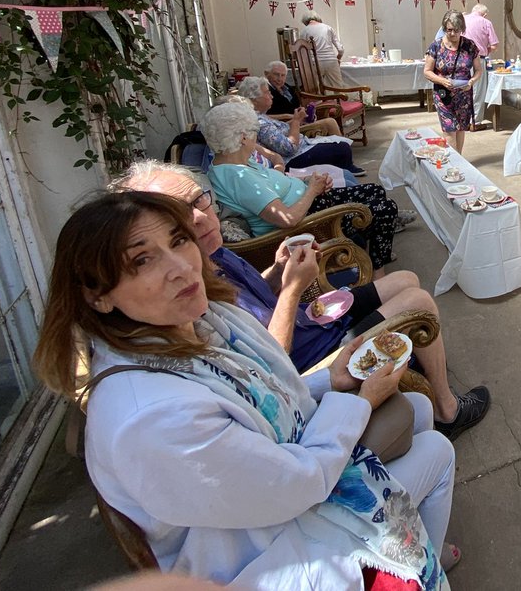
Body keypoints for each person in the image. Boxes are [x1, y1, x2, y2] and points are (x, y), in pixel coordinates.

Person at [32, 191, 458, 588]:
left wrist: (334, 380)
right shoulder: (151, 417)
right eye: (141, 261)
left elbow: (261, 394)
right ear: (97, 296)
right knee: (439, 453)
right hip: (265, 554)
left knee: (417, 408)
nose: (181, 266)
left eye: (178, 240)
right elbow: (296, 485)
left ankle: (423, 545)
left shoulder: (200, 320)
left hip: (272, 490)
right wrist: (362, 401)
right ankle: (422, 567)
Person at [114, 161, 492, 438]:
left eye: (200, 201)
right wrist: (294, 289)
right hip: (307, 357)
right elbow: (267, 366)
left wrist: (277, 272)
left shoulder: (210, 254)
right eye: (179, 217)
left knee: (405, 278)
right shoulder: (184, 293)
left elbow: (248, 300)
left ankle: (416, 361)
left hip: (310, 322)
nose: (199, 217)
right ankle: (446, 409)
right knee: (420, 302)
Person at [201, 102, 401, 272]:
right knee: (385, 208)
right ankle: (377, 271)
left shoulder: (237, 165)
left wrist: (308, 183)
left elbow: (273, 186)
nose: (256, 138)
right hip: (309, 224)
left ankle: (373, 250)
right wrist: (312, 190)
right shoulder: (238, 176)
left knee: (375, 191)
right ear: (243, 137)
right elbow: (288, 219)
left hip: (310, 205)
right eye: (254, 132)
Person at [235, 76, 364, 175]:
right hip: (293, 159)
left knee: (339, 143)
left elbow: (280, 132)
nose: (271, 96)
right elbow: (288, 148)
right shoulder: (259, 123)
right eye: (267, 93)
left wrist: (298, 120)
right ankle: (342, 168)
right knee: (341, 147)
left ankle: (342, 167)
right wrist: (296, 122)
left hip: (301, 147)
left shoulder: (261, 115)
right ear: (254, 99)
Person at [424, 9, 483, 154]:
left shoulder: (469, 46)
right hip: (444, 96)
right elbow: (427, 71)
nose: (453, 34)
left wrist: (471, 82)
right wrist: (442, 81)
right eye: (449, 30)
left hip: (464, 95)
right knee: (450, 131)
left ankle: (458, 159)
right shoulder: (436, 46)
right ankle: (453, 164)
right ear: (444, 28)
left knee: (461, 129)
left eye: (457, 30)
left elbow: (478, 70)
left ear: (462, 29)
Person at [462, 4, 499, 123]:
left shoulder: (462, 20)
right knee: (477, 91)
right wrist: (485, 50)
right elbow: (494, 45)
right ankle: (475, 121)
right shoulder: (486, 22)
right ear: (484, 14)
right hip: (478, 58)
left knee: (462, 88)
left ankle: (462, 118)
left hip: (461, 59)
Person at [293, 12, 344, 90]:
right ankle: (338, 101)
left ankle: (320, 102)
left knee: (315, 89)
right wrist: (338, 58)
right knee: (338, 88)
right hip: (331, 60)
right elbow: (340, 49)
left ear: (305, 21)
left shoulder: (304, 31)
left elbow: (302, 51)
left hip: (314, 62)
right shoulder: (328, 28)